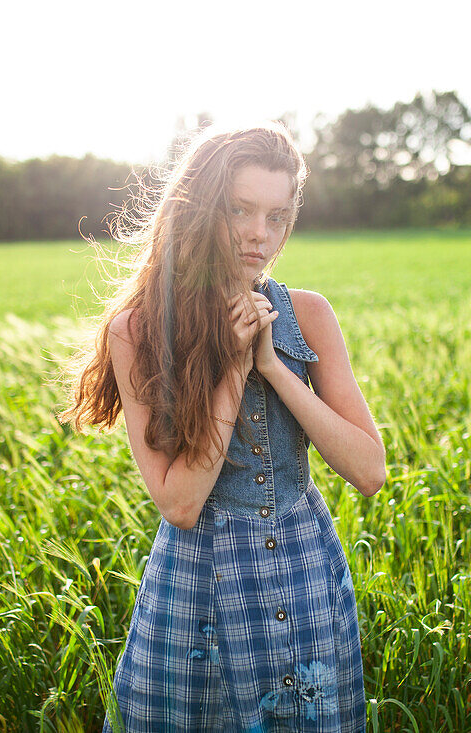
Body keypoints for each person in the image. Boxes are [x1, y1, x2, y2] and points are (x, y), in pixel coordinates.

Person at [61, 122, 385, 732]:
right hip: (200, 588)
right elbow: (180, 503)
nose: (258, 235)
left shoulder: (309, 315)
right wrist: (234, 366)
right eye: (240, 210)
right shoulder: (137, 331)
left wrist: (275, 367)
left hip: (302, 572)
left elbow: (369, 471)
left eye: (276, 215)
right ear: (202, 207)